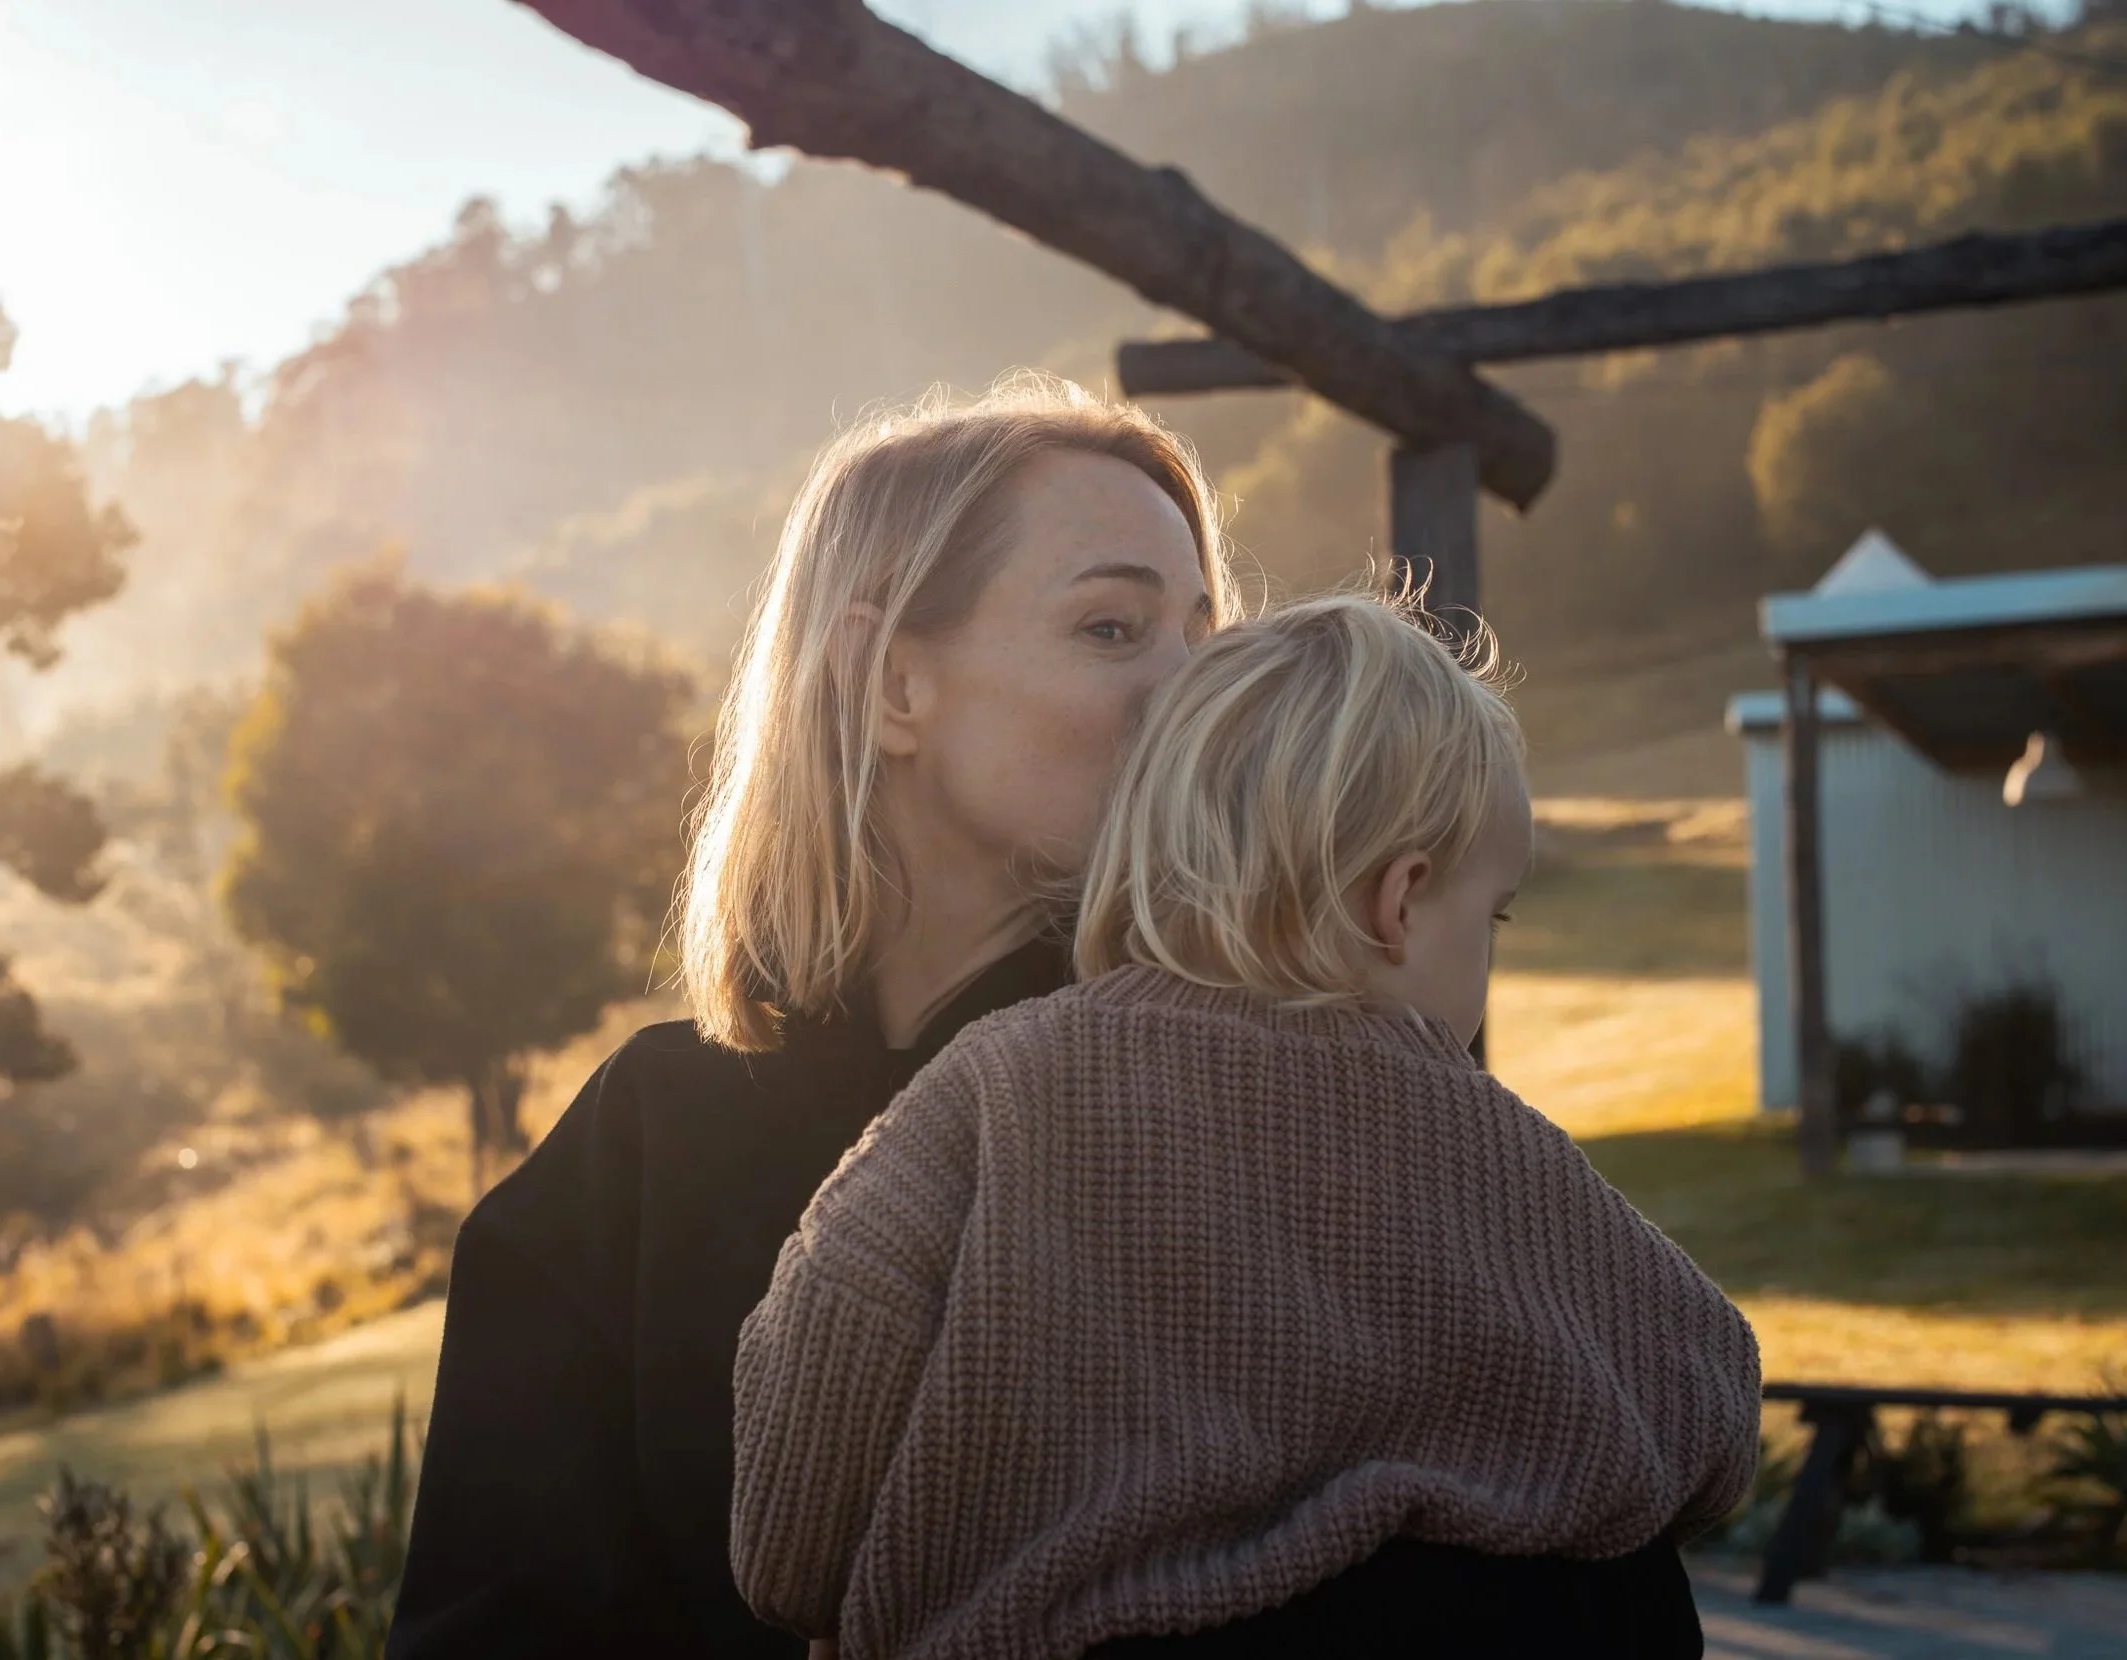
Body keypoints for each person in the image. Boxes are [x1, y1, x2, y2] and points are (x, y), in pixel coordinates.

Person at [730, 594, 1764, 1660]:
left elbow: (789, 1534)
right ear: (1399, 901)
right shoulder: (1496, 1152)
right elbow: (1712, 1414)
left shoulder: (991, 1087)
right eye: (1489, 915)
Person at [387, 374, 1240, 1659]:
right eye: (1115, 629)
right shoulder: (640, 1150)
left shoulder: (1261, 1091)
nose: (1197, 693)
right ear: (892, 681)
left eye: (1205, 635)